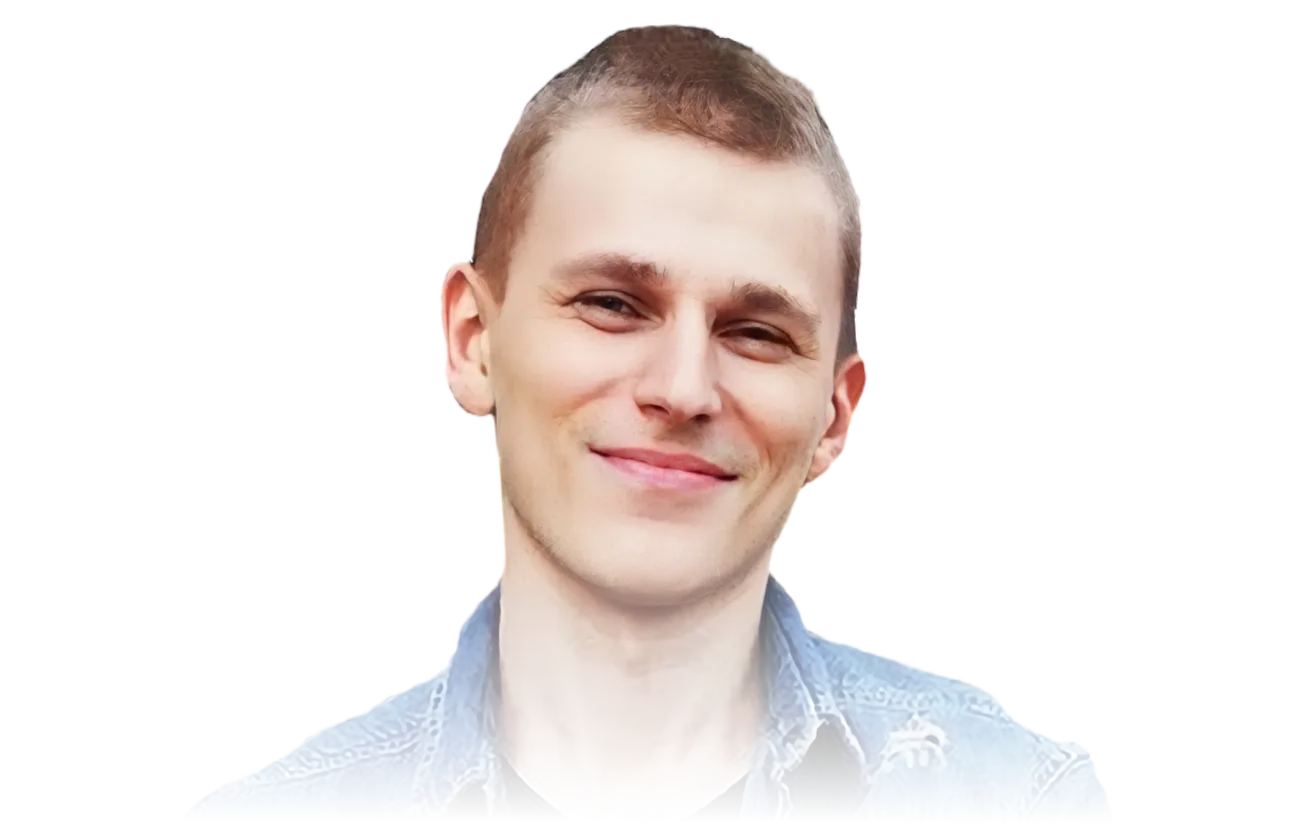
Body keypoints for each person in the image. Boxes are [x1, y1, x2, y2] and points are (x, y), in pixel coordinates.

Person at [183, 23, 1109, 823]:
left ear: (836, 416)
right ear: (471, 341)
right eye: (612, 304)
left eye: (756, 331)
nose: (682, 387)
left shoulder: (1024, 804)